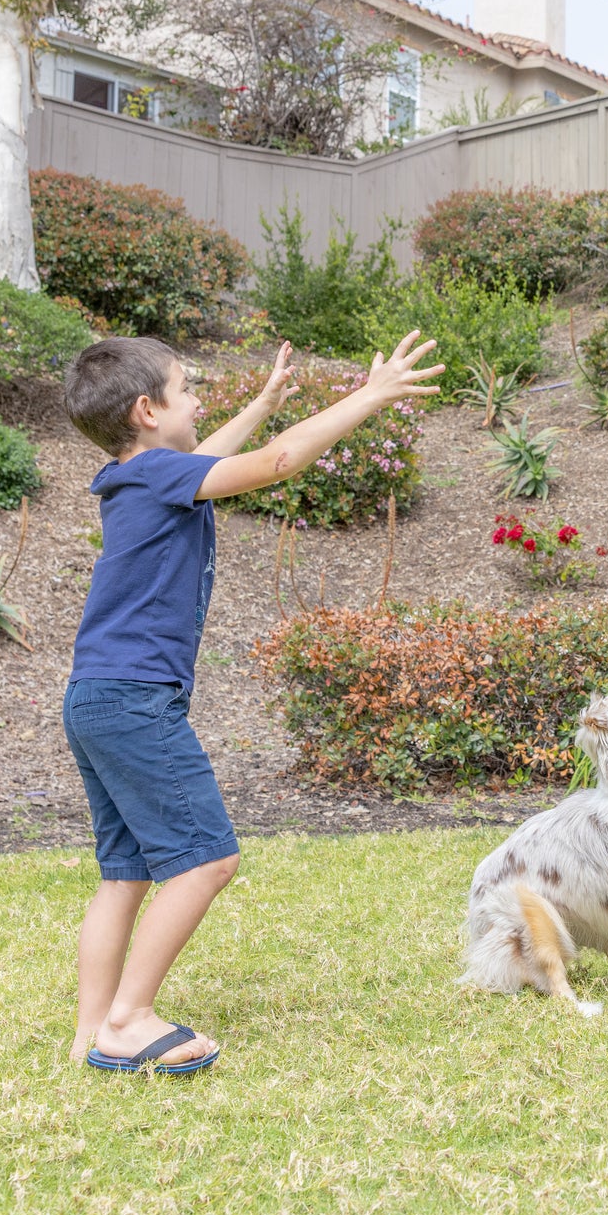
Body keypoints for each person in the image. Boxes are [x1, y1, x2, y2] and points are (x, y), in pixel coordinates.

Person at [60, 333, 442, 1072]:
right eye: (187, 388)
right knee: (207, 861)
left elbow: (210, 463)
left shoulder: (130, 476)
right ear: (148, 410)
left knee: (125, 874)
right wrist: (371, 394)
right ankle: (129, 1022)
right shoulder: (162, 475)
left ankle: (91, 1031)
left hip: (96, 698)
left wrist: (262, 405)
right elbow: (275, 465)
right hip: (138, 701)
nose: (201, 400)